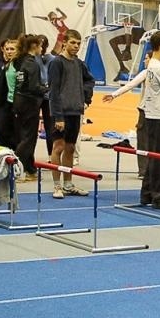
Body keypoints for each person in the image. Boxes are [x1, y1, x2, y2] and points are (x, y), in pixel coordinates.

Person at [104, 32, 160, 208]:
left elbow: (132, 83)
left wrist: (114, 94)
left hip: (153, 115)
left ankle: (146, 193)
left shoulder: (151, 67)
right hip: (159, 117)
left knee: (153, 157)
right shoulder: (159, 68)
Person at [46, 29, 94, 199]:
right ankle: (57, 186)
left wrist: (86, 97)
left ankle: (68, 184)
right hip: (61, 113)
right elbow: (54, 91)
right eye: (73, 42)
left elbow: (90, 80)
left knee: (70, 148)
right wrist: (58, 116)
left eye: (78, 43)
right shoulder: (56, 63)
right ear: (64, 42)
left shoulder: (79, 64)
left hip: (75, 111)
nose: (76, 46)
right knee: (58, 147)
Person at [8, 34, 48, 180]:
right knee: (28, 139)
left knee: (23, 136)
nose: (42, 48)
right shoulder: (32, 63)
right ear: (34, 46)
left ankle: (30, 169)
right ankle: (17, 169)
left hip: (19, 102)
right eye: (40, 45)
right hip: (29, 103)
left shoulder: (19, 61)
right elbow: (33, 87)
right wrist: (47, 88)